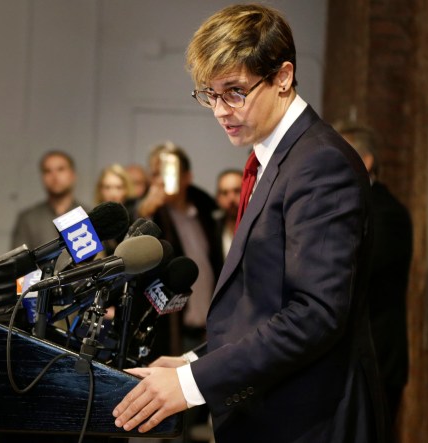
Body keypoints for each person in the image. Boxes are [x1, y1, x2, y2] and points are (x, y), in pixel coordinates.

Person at [113, 4, 386, 443]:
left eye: (235, 91)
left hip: (310, 421)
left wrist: (190, 385)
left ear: (282, 77)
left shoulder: (320, 163)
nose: (220, 110)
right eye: (210, 94)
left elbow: (314, 316)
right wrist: (195, 362)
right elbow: (261, 306)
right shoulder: (271, 157)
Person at [336, 123, 412, 429]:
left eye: (341, 155)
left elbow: (357, 274)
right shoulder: (357, 205)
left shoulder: (385, 212)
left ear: (364, 161)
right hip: (357, 359)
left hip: (378, 358)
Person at [134, 143, 223, 359]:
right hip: (170, 333)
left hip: (209, 331)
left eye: (168, 172)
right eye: (155, 174)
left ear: (187, 177)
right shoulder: (147, 214)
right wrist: (145, 214)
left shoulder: (205, 212)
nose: (161, 180)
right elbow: (132, 259)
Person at [11, 150, 88, 249]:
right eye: (47, 171)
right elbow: (18, 261)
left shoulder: (87, 214)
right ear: (42, 177)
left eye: (61, 169)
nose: (54, 176)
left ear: (72, 175)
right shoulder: (28, 219)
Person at [213, 169, 242, 257]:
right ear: (217, 198)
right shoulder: (212, 230)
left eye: (237, 191)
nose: (231, 198)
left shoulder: (260, 227)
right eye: (225, 193)